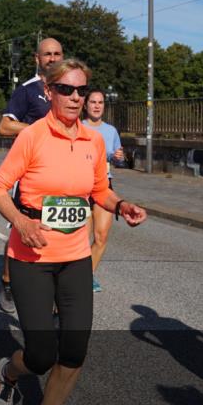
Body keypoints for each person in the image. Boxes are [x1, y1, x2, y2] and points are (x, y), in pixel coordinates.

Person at [0, 59, 146, 405]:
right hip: (31, 257)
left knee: (74, 350)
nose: (75, 97)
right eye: (67, 90)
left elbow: (98, 189)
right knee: (39, 355)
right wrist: (21, 222)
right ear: (51, 93)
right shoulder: (33, 137)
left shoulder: (93, 141)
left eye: (82, 90)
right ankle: (8, 374)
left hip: (75, 257)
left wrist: (120, 204)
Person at [0, 38, 65, 315]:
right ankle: (8, 281)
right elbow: (3, 126)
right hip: (31, 174)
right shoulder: (27, 90)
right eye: (47, 54)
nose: (52, 58)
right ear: (37, 58)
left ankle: (55, 288)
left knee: (60, 228)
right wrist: (38, 128)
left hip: (64, 174)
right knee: (20, 227)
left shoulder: (68, 89)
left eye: (57, 53)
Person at [82, 89, 125, 292]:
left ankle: (86, 275)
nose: (97, 105)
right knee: (83, 237)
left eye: (100, 102)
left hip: (104, 185)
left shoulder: (111, 131)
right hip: (81, 186)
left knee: (101, 237)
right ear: (86, 105)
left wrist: (118, 157)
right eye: (93, 102)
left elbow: (120, 159)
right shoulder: (78, 127)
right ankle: (74, 276)